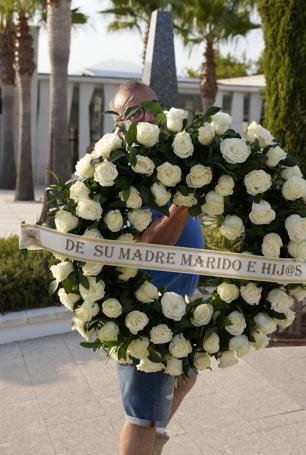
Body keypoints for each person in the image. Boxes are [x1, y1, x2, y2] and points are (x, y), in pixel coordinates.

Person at [110, 80, 204, 455]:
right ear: (118, 122)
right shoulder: (125, 173)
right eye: (133, 111)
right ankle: (151, 438)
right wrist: (184, 205)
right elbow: (147, 247)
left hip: (176, 305)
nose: (147, 117)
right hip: (147, 315)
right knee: (141, 417)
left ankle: (155, 439)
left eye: (152, 109)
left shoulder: (161, 163)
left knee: (187, 375)